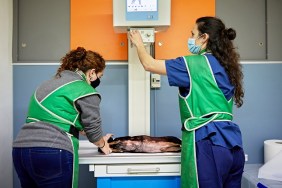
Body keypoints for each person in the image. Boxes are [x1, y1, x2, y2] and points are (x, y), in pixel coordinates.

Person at [128, 16, 245, 188]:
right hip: (233, 144)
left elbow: (149, 64)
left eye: (193, 34)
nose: (190, 39)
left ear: (204, 37)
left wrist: (139, 43)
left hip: (208, 143)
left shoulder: (193, 65)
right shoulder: (227, 66)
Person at [12, 47, 112, 188]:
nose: (97, 81)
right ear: (92, 72)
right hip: (52, 151)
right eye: (99, 76)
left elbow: (56, 119)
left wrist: (95, 135)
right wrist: (103, 144)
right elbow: (94, 133)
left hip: (21, 150)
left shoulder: (46, 84)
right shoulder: (85, 90)